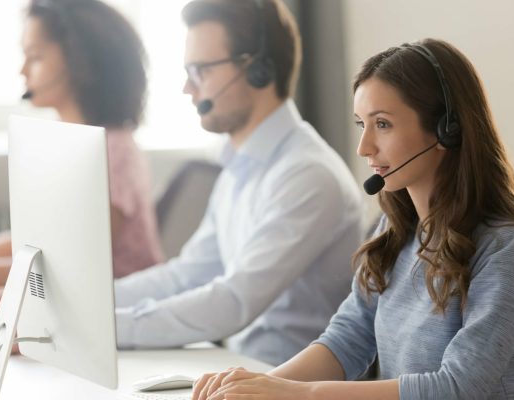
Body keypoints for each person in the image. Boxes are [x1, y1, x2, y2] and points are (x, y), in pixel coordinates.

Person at [191, 38, 514, 399]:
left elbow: (458, 388)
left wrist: (298, 394)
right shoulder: (396, 232)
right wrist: (255, 389)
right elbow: (348, 339)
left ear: (445, 130)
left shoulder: (509, 248)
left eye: (382, 124)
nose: (364, 147)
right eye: (361, 124)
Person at [114, 0, 364, 366]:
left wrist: (111, 328)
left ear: (258, 70)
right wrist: (86, 305)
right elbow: (186, 275)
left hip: (285, 382)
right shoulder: (238, 167)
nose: (188, 88)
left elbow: (234, 301)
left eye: (200, 71)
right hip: (240, 371)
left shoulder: (309, 175)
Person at [0, 0, 164, 303]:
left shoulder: (112, 152)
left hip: (120, 315)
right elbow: (33, 242)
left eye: (35, 57)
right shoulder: (67, 145)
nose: (22, 70)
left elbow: (67, 267)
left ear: (79, 62)